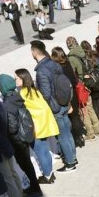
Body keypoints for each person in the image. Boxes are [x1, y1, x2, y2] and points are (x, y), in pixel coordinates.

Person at [31, 40, 79, 172]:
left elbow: (46, 94)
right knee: (67, 133)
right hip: (64, 102)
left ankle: (70, 163)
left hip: (55, 106)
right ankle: (73, 157)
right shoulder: (54, 63)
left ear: (34, 52)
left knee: (62, 136)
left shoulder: (41, 71)